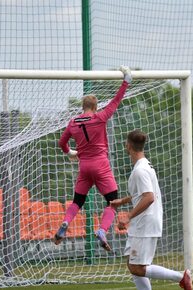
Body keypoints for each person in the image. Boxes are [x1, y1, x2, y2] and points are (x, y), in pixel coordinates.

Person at [54, 65, 132, 251]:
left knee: (77, 201)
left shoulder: (73, 122)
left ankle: (65, 223)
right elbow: (115, 101)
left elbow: (61, 143)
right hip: (101, 164)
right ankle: (102, 230)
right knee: (112, 202)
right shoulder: (100, 117)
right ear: (95, 107)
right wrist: (126, 81)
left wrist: (70, 153)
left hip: (84, 166)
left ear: (83, 108)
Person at [110, 129, 193, 290]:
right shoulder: (145, 165)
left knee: (138, 267)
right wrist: (123, 201)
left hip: (145, 223)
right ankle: (180, 276)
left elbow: (149, 197)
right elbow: (142, 194)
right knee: (132, 264)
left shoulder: (140, 170)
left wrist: (128, 216)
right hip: (144, 222)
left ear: (128, 146)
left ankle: (181, 276)